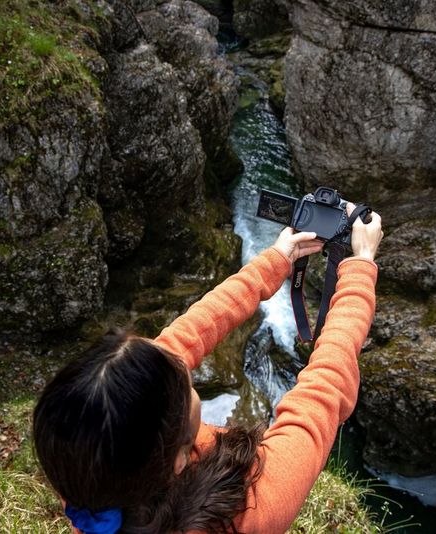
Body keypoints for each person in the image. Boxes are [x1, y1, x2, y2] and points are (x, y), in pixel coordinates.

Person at [33, 204, 383, 534]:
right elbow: (321, 395)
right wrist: (360, 267)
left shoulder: (85, 464)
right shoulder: (252, 509)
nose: (175, 353)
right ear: (180, 460)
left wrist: (275, 262)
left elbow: (187, 335)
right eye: (187, 387)